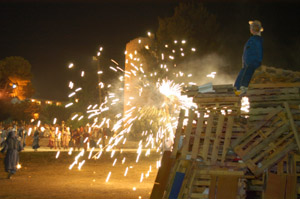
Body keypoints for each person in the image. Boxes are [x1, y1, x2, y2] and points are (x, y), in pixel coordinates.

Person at [234, 20, 264, 95]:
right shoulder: (252, 39)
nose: (251, 29)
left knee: (246, 74)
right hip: (247, 63)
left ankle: (241, 88)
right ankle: (237, 89)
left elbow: (259, 52)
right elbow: (247, 53)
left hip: (251, 63)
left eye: (252, 27)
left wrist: (258, 62)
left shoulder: (256, 40)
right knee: (242, 73)